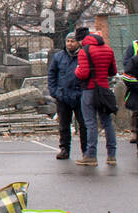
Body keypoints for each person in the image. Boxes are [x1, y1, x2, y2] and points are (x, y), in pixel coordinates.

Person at [74, 30, 118, 166]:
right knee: (107, 122)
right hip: (104, 89)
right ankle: (111, 155)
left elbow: (83, 73)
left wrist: (76, 70)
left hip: (89, 90)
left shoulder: (84, 51)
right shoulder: (108, 49)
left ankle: (91, 155)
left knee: (91, 123)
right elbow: (113, 71)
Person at [47, 32, 87, 160]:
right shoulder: (59, 57)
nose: (70, 44)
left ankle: (86, 151)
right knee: (64, 125)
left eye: (72, 41)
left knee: (83, 125)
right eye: (68, 41)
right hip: (63, 96)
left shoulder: (83, 56)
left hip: (79, 96)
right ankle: (64, 149)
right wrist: (54, 91)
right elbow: (52, 74)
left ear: (78, 43)